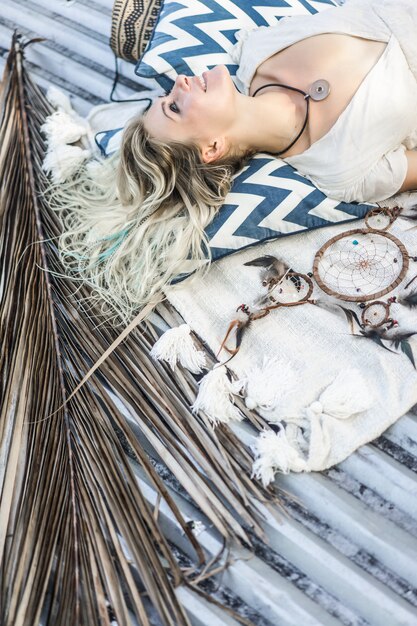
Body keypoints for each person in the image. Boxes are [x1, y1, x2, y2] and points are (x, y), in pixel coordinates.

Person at [48, 0, 417, 326]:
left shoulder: (258, 48)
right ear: (212, 148)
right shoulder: (343, 170)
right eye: (175, 107)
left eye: (167, 97)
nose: (178, 83)